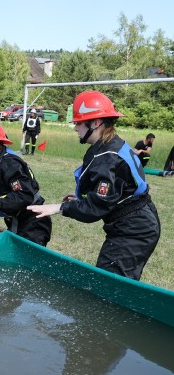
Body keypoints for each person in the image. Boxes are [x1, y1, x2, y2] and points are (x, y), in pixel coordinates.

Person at [27, 90, 160, 281]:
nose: (75, 128)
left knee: (109, 287)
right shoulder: (112, 144)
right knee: (112, 283)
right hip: (136, 219)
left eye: (79, 123)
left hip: (134, 229)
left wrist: (59, 207)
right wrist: (84, 197)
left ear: (95, 123)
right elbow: (116, 190)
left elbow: (95, 209)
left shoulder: (107, 157)